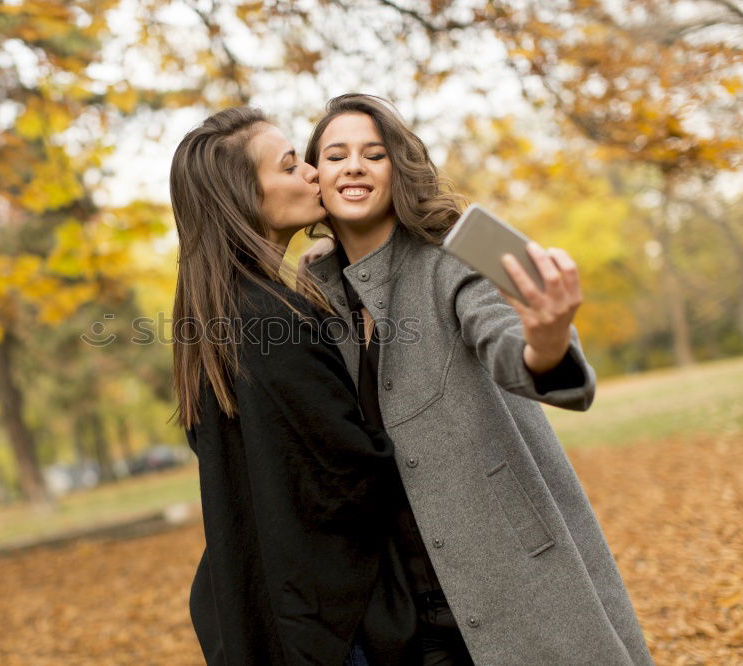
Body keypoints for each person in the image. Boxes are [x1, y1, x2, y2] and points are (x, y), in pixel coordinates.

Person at [298, 93, 654, 665]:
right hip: (398, 605)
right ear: (316, 176)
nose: (354, 166)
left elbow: (516, 349)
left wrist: (545, 341)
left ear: (400, 168)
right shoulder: (314, 285)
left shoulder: (456, 253)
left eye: (374, 154)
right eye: (336, 155)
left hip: (508, 569)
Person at [171, 106, 410, 665]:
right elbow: (350, 472)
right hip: (328, 627)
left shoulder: (213, 316)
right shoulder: (268, 321)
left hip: (270, 614)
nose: (310, 172)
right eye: (287, 167)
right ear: (243, 199)